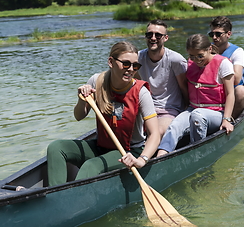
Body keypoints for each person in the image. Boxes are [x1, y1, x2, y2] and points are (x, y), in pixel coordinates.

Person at [47, 41, 160, 186]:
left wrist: (142, 160)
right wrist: (82, 99)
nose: (131, 69)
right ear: (111, 62)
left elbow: (154, 134)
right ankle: (54, 194)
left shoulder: (141, 93)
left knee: (91, 166)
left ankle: (70, 199)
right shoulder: (96, 81)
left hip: (129, 151)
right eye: (126, 64)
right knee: (56, 148)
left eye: (135, 65)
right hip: (102, 146)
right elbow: (78, 116)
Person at [156, 34, 235, 157]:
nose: (196, 60)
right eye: (192, 56)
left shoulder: (223, 64)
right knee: (175, 125)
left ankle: (197, 155)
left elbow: (230, 94)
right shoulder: (190, 64)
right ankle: (161, 155)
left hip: (217, 112)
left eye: (200, 56)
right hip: (192, 109)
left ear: (209, 49)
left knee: (197, 116)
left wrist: (226, 119)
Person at [137, 19, 189, 139]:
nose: (153, 38)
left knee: (157, 132)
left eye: (158, 35)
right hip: (144, 109)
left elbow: (185, 88)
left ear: (165, 38)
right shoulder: (138, 58)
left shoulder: (176, 60)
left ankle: (144, 157)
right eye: (149, 34)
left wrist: (186, 114)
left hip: (169, 110)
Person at [209, 16, 244, 118]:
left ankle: (231, 118)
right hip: (211, 90)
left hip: (231, 91)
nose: (214, 37)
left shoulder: (237, 52)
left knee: (242, 91)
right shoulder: (206, 50)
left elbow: (236, 79)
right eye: (211, 34)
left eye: (218, 34)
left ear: (228, 34)